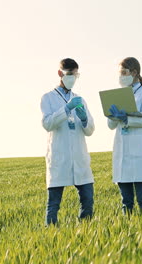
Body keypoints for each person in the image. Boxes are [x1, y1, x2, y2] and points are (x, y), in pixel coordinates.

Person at [40, 58, 95, 225]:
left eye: (75, 75)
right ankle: (51, 234)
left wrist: (84, 119)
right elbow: (47, 124)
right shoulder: (48, 98)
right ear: (60, 74)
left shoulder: (80, 99)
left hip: (79, 157)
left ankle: (84, 231)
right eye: (70, 74)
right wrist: (66, 109)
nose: (73, 78)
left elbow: (90, 130)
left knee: (87, 200)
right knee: (53, 204)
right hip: (60, 157)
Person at [107, 57, 142, 215]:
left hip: (138, 152)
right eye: (120, 73)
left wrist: (127, 119)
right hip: (121, 154)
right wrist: (113, 116)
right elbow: (111, 125)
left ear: (134, 73)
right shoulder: (118, 94)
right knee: (126, 202)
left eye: (124, 73)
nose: (121, 77)